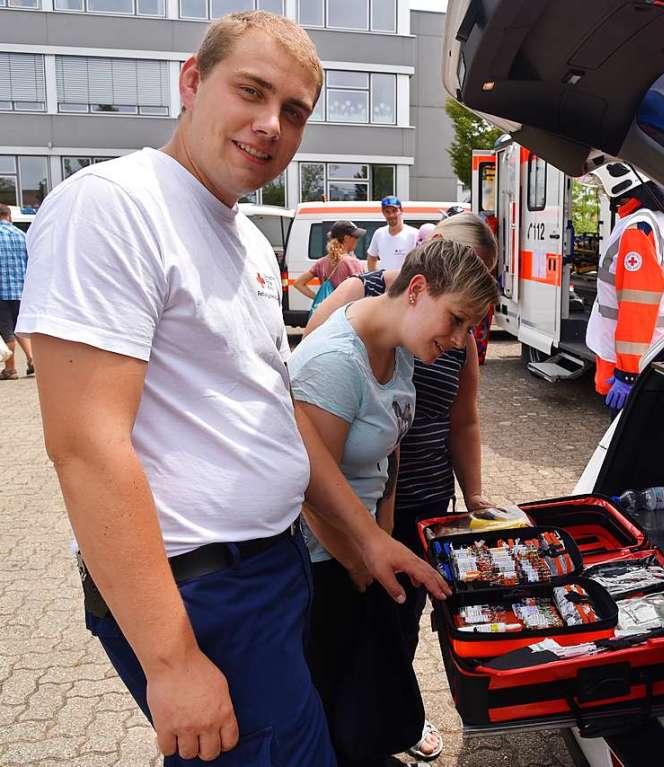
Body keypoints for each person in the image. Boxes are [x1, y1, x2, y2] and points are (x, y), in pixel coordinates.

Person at [16, 12, 447, 765]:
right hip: (202, 593)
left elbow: (274, 419)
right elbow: (85, 445)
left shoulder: (244, 235)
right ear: (191, 80)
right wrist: (173, 660)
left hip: (270, 574)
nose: (269, 124)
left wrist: (365, 538)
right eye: (251, 91)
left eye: (293, 112)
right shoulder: (113, 205)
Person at [292, 238, 498, 766]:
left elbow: (391, 454)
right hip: (324, 560)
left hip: (365, 551)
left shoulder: (399, 351)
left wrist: (382, 539)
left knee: (374, 697)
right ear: (418, 290)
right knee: (337, 701)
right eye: (454, 321)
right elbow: (310, 490)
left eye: (467, 330)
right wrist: (363, 560)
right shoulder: (335, 362)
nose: (457, 340)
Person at [585, 176, 664, 410]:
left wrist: (627, 373)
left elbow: (637, 304)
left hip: (631, 366)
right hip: (652, 354)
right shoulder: (656, 221)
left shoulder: (637, 230)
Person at [293, 219, 366, 300]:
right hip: (346, 310)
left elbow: (298, 283)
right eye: (355, 237)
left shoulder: (321, 262)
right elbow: (362, 291)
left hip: (327, 310)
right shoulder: (353, 263)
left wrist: (318, 298)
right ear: (346, 238)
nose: (357, 240)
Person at [0, 203, 31, 378]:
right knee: (20, 328)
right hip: (20, 291)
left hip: (1, 292)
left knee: (6, 331)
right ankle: (32, 358)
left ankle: (10, 369)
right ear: (9, 216)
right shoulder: (22, 236)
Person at [366, 195, 417, 271]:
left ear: (401, 211)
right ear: (383, 213)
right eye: (387, 212)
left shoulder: (414, 234)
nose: (391, 215)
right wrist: (375, 279)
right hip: (385, 281)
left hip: (405, 282)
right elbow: (371, 258)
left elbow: (421, 262)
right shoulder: (379, 233)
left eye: (394, 211)